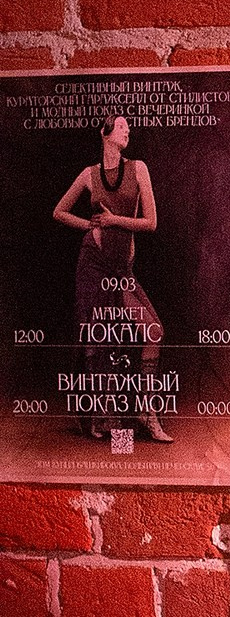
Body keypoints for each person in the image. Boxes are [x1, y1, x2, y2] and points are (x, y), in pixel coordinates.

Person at [51, 114, 171, 444]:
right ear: (105, 133)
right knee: (99, 340)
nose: (127, 129)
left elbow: (150, 223)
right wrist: (89, 225)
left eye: (127, 126)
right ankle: (105, 422)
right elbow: (59, 211)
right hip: (93, 264)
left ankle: (147, 412)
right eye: (121, 126)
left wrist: (113, 220)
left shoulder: (138, 169)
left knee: (153, 331)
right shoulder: (89, 174)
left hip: (121, 270)